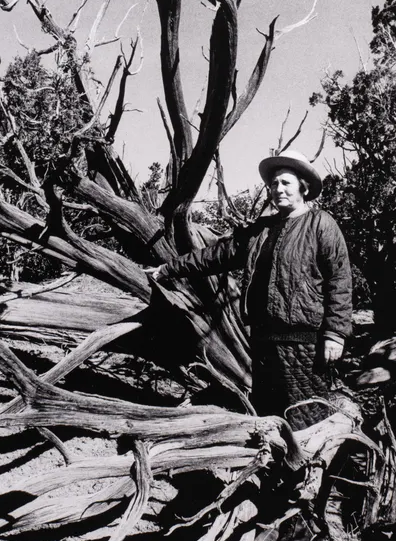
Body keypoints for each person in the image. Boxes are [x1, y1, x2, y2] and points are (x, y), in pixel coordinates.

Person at [147, 150, 352, 429]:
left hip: (303, 341)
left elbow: (340, 281)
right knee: (267, 413)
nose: (278, 189)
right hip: (263, 338)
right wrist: (168, 268)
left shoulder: (321, 223)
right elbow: (216, 256)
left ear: (303, 187)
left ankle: (311, 457)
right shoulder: (261, 229)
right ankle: (272, 456)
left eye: (286, 183)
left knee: (306, 416)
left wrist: (335, 333)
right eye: (274, 183)